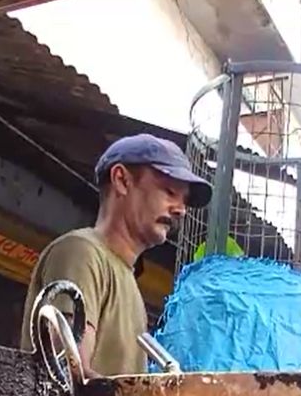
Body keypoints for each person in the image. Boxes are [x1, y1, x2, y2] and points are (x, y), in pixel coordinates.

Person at [20, 134, 212, 377]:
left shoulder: (127, 279)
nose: (181, 209)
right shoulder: (82, 253)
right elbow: (69, 376)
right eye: (169, 191)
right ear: (121, 180)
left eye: (183, 200)